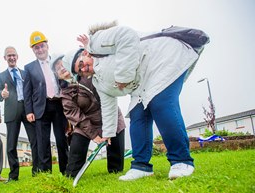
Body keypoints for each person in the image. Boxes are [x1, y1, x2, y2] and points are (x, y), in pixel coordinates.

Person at [63, 21, 199, 181]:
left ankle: (181, 161)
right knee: (137, 115)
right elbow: (108, 106)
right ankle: (141, 166)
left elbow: (126, 36)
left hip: (162, 57)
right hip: (143, 82)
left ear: (85, 53)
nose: (84, 69)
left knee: (160, 103)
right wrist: (107, 134)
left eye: (82, 64)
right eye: (81, 71)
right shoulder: (98, 82)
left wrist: (122, 77)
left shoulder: (96, 42)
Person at [51, 54, 126, 177]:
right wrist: (94, 135)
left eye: (63, 64)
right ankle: (71, 174)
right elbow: (75, 115)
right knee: (73, 165)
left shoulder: (87, 73)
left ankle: (115, 174)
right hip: (87, 123)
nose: (62, 68)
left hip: (110, 118)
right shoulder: (65, 94)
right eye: (58, 68)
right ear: (57, 75)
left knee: (116, 167)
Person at [23, 31, 69, 174]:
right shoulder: (29, 68)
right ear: (33, 50)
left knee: (61, 140)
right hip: (40, 108)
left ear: (47, 46)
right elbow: (27, 91)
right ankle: (46, 173)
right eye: (36, 48)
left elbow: (66, 81)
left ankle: (66, 171)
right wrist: (29, 111)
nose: (40, 50)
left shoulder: (57, 62)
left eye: (42, 46)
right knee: (43, 143)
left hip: (58, 105)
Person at [0, 46, 38, 182]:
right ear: (5, 58)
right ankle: (13, 175)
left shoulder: (25, 73)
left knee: (35, 141)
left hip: (27, 109)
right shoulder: (1, 76)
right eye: (9, 56)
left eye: (13, 55)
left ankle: (37, 172)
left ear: (17, 56)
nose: (11, 58)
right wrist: (2, 93)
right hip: (12, 111)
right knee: (11, 145)